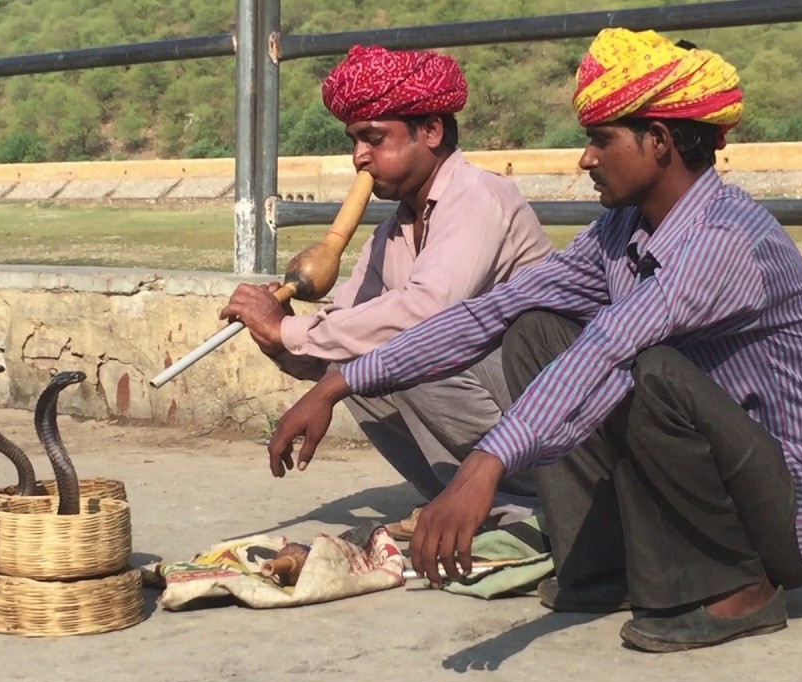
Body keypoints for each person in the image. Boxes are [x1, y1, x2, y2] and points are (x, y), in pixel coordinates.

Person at [265, 29, 802, 653]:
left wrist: (486, 463)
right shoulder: (621, 232)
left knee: (645, 365)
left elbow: (609, 348)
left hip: (796, 516)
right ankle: (602, 569)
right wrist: (340, 381)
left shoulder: (724, 241)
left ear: (658, 142)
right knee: (534, 329)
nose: (585, 159)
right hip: (726, 476)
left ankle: (743, 591)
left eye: (600, 141)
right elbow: (490, 314)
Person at [218, 45, 555, 536]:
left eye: (374, 139)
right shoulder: (391, 233)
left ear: (432, 131)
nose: (359, 157)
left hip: (547, 406)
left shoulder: (478, 196)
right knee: (355, 359)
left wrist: (291, 330)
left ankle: (533, 503)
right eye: (354, 141)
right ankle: (471, 502)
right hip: (497, 406)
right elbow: (334, 342)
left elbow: (429, 315)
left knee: (409, 351)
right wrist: (273, 333)